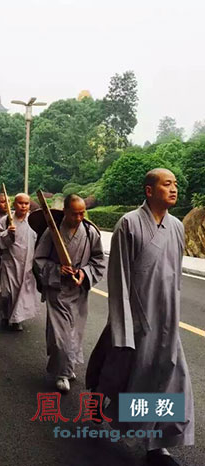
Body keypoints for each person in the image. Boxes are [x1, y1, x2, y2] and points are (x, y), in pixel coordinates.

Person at [85, 169, 194, 466]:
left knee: (169, 378)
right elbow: (118, 280)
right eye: (166, 184)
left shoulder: (176, 227)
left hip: (167, 320)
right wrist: (124, 327)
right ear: (149, 190)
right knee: (122, 372)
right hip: (135, 318)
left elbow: (175, 276)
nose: (174, 189)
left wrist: (173, 314)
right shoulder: (129, 224)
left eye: (175, 184)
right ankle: (98, 397)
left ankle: (155, 444)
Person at [33, 194, 105, 392]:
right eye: (75, 214)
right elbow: (38, 260)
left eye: (82, 213)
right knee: (61, 335)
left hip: (79, 291)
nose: (79, 218)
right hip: (57, 291)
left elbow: (98, 260)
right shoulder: (51, 233)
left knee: (75, 333)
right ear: (65, 211)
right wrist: (57, 270)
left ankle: (67, 367)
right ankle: (63, 374)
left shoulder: (90, 233)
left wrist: (84, 272)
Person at [0, 193, 40, 331]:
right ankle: (6, 315)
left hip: (28, 264)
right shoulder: (7, 220)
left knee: (22, 293)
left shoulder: (34, 221)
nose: (23, 206)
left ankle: (17, 319)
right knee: (7, 292)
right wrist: (7, 233)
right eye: (20, 203)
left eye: (26, 203)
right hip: (10, 263)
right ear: (14, 204)